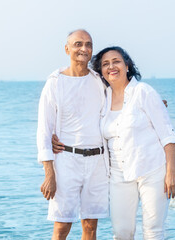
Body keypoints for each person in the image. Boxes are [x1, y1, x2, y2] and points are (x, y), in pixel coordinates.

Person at [89, 46, 175, 239]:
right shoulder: (102, 99)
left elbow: (167, 135)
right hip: (119, 175)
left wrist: (171, 171)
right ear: (101, 72)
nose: (111, 66)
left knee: (153, 231)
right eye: (105, 64)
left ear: (127, 65)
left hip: (152, 171)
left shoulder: (144, 92)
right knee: (121, 232)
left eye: (116, 61)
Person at [37, 29, 109, 240]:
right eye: (78, 44)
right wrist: (49, 173)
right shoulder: (55, 83)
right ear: (67, 49)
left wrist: (153, 105)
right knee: (61, 227)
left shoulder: (99, 81)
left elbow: (123, 100)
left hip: (97, 162)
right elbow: (43, 129)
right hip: (66, 161)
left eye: (88, 44)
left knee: (90, 226)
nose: (83, 49)